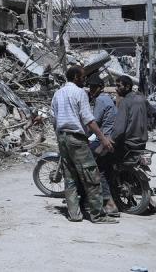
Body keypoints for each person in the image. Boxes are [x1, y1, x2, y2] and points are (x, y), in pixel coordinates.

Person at [51, 65, 118, 223]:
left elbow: (53, 118)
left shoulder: (58, 93)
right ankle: (97, 215)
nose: (85, 80)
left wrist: (60, 136)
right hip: (76, 138)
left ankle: (74, 214)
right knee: (91, 175)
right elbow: (89, 119)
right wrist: (103, 139)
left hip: (62, 137)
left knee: (70, 177)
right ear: (75, 77)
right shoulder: (79, 93)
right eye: (83, 77)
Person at [86, 75, 119, 216]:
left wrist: (85, 132)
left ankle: (108, 202)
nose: (92, 90)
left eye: (94, 87)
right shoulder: (108, 99)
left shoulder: (100, 100)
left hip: (105, 139)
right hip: (112, 137)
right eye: (91, 87)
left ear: (101, 88)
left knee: (96, 167)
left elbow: (94, 121)